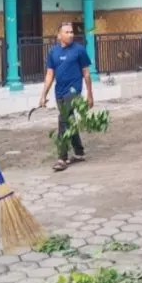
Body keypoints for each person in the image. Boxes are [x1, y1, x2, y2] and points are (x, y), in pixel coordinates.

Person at [40, 22, 95, 172]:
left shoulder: (79, 50)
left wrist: (90, 94)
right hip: (59, 93)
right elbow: (50, 74)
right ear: (59, 36)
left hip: (74, 91)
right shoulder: (53, 52)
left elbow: (86, 73)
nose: (71, 34)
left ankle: (62, 157)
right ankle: (79, 152)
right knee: (69, 121)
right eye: (67, 32)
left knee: (63, 120)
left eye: (72, 32)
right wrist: (43, 94)